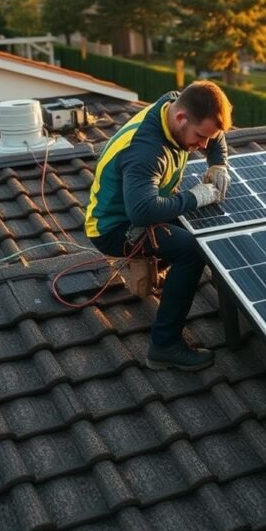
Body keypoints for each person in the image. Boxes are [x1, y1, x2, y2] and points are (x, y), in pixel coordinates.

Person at [84, 81, 232, 371]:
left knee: (204, 220)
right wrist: (194, 197)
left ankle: (173, 272)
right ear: (181, 119)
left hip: (145, 204)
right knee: (191, 250)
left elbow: (214, 135)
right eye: (199, 137)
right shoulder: (146, 150)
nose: (202, 145)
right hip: (116, 227)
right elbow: (142, 211)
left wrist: (218, 163)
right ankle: (164, 346)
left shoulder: (176, 104)